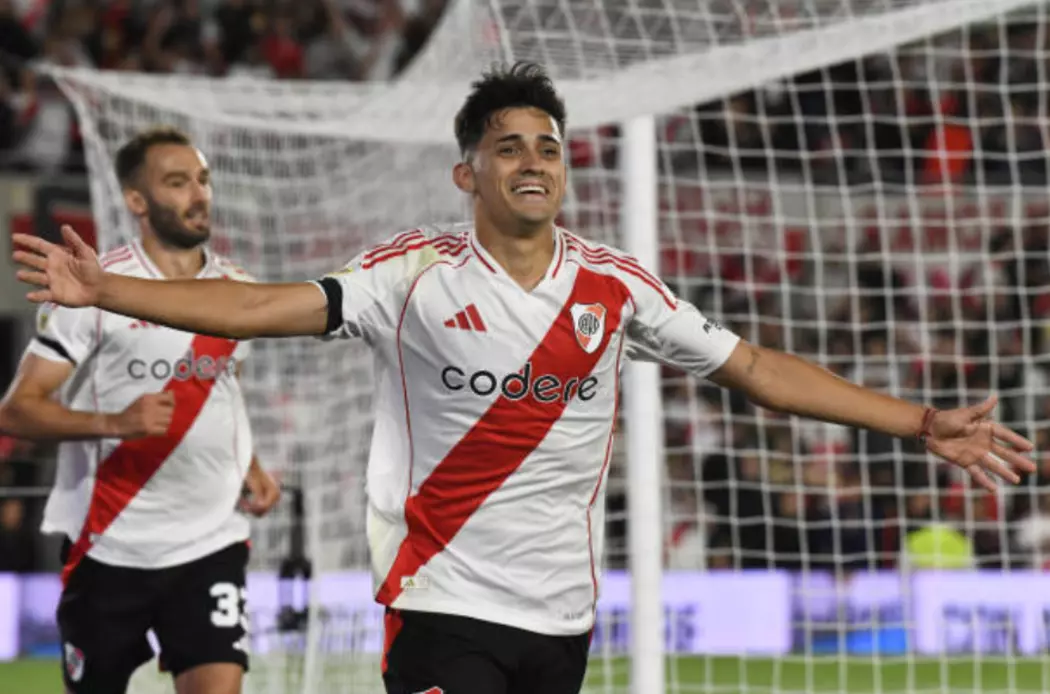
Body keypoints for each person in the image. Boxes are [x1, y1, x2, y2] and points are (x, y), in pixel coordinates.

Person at [11, 64, 1035, 694]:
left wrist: (922, 421)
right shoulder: (411, 275)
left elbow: (758, 369)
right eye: (508, 148)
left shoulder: (616, 286)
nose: (534, 161)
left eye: (548, 146)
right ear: (469, 172)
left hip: (562, 620)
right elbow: (259, 306)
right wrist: (110, 290)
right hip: (442, 603)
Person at [1, 126, 281, 694]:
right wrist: (114, 424)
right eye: (177, 182)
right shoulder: (95, 290)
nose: (198, 195)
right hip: (110, 544)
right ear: (136, 200)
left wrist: (249, 464)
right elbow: (16, 411)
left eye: (202, 179)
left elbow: (224, 388)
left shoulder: (236, 287)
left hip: (210, 541)